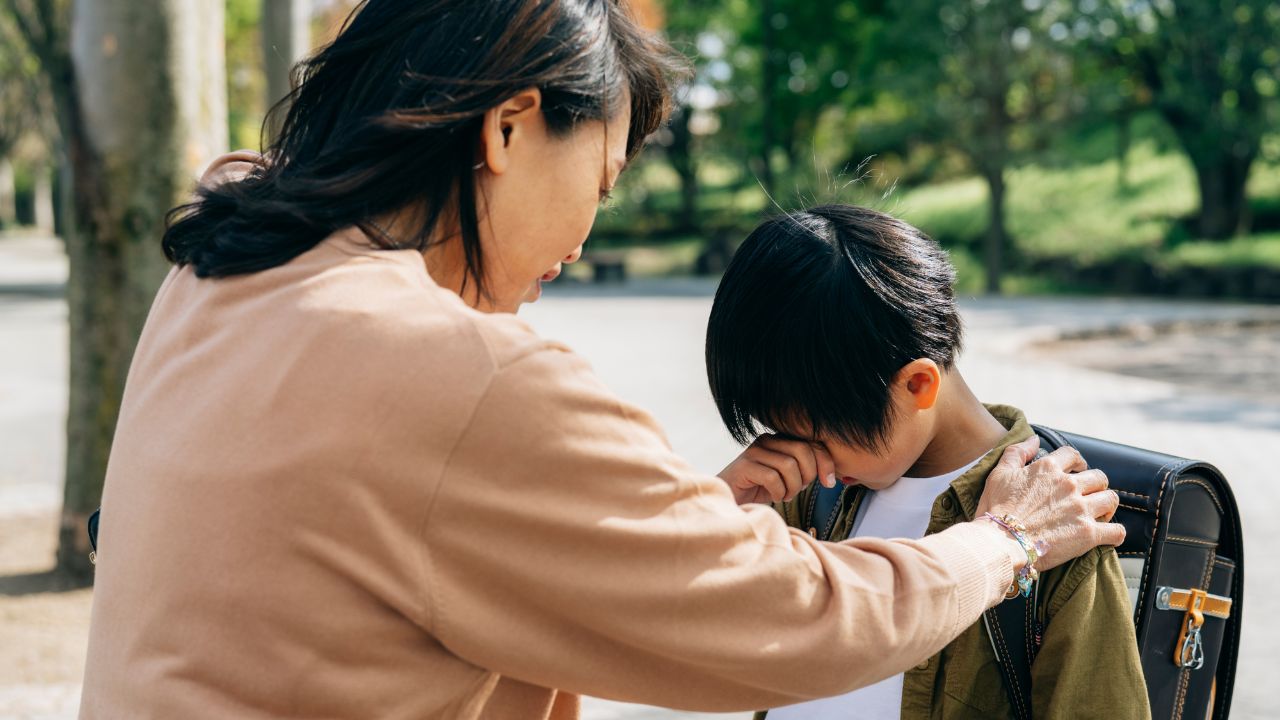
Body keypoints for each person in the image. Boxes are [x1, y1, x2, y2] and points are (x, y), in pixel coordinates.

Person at [79, 2, 1123, 719]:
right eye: (602, 176)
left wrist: (659, 533)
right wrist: (1005, 545)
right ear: (510, 127)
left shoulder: (227, 267)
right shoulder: (465, 376)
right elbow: (796, 620)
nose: (581, 240)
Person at [705, 204, 1148, 719]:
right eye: (779, 431)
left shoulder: (1055, 524)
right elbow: (688, 644)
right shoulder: (805, 495)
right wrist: (716, 516)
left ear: (918, 384)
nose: (802, 457)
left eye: (818, 436)